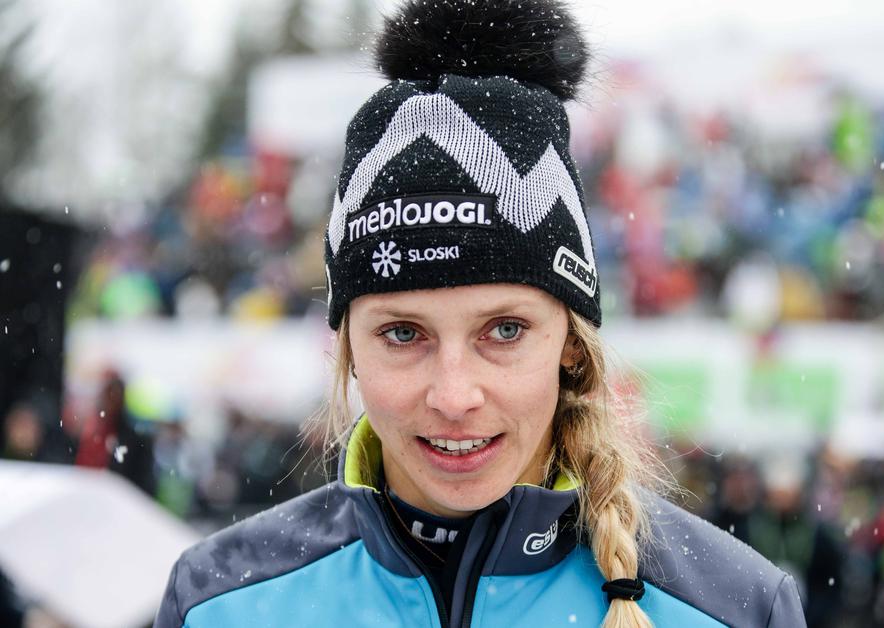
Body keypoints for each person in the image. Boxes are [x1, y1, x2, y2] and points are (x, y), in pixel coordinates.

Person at [155, 1, 805, 626]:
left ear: (570, 345)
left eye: (504, 330)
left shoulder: (735, 608)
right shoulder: (219, 603)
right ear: (349, 349)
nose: (454, 395)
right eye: (403, 333)